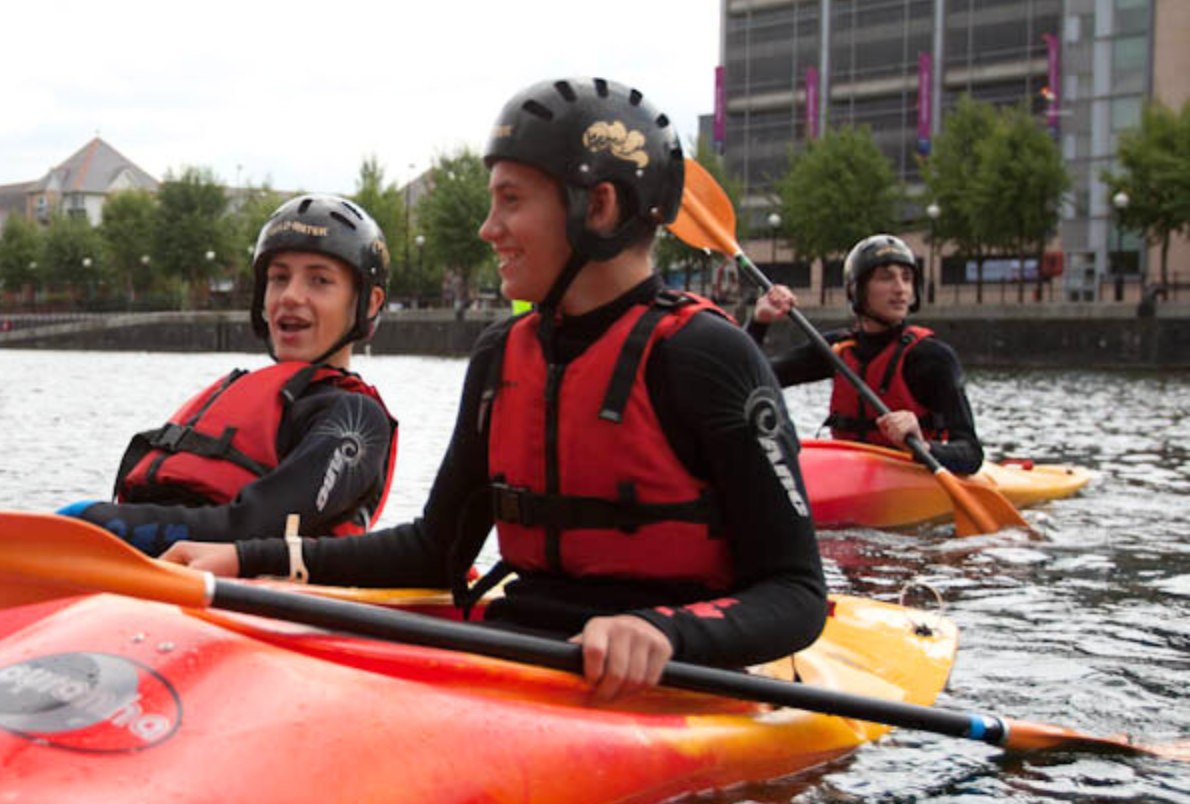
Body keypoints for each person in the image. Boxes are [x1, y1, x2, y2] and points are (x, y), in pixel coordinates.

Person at [163, 78, 827, 703]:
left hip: (673, 680)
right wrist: (244, 559)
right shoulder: (502, 354)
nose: (488, 227)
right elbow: (435, 552)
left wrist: (665, 631)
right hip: (518, 651)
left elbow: (797, 592)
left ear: (598, 207)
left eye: (511, 200)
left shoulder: (707, 355)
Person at [58, 194, 397, 556]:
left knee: (74, 518)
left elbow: (257, 526)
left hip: (241, 575)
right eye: (279, 278)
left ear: (370, 302)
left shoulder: (357, 419)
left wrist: (93, 522)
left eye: (319, 280)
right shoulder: (248, 389)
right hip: (155, 563)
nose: (290, 295)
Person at [749, 236, 983, 473]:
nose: (900, 288)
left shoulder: (932, 357)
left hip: (912, 477)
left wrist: (924, 447)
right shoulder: (837, 349)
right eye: (886, 277)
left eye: (907, 278)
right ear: (857, 289)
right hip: (847, 475)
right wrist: (759, 322)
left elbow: (971, 454)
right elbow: (749, 380)